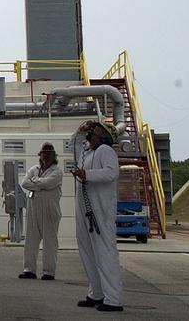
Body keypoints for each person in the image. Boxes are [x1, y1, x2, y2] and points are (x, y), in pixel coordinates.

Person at [72, 121, 123, 312]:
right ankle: (96, 293)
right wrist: (81, 129)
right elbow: (74, 144)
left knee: (104, 253)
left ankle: (113, 298)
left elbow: (112, 173)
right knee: (88, 252)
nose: (91, 132)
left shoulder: (105, 151)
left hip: (100, 211)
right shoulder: (88, 153)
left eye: (95, 130)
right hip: (86, 211)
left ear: (104, 135)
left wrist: (88, 174)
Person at [19, 142, 63, 280]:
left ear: (53, 156)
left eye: (49, 153)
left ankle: (49, 271)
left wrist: (36, 183)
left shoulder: (57, 172)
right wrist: (40, 184)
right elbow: (25, 183)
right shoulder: (34, 169)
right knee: (30, 240)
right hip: (33, 208)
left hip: (50, 210)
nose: (46, 156)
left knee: (50, 241)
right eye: (44, 153)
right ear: (40, 155)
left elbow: (48, 183)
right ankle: (29, 269)